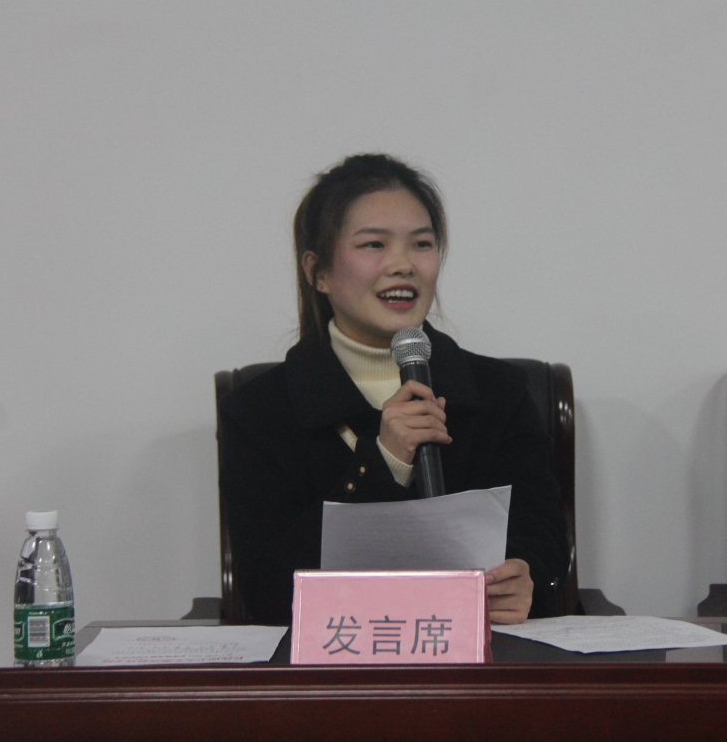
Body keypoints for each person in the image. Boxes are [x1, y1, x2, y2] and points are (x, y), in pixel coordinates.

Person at [219, 154, 568, 625]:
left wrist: (526, 577)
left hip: (480, 653)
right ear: (318, 271)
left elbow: (543, 538)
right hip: (334, 660)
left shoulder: (499, 393)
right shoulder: (257, 412)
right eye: (374, 245)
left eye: (421, 244)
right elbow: (267, 588)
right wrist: (382, 461)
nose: (402, 265)